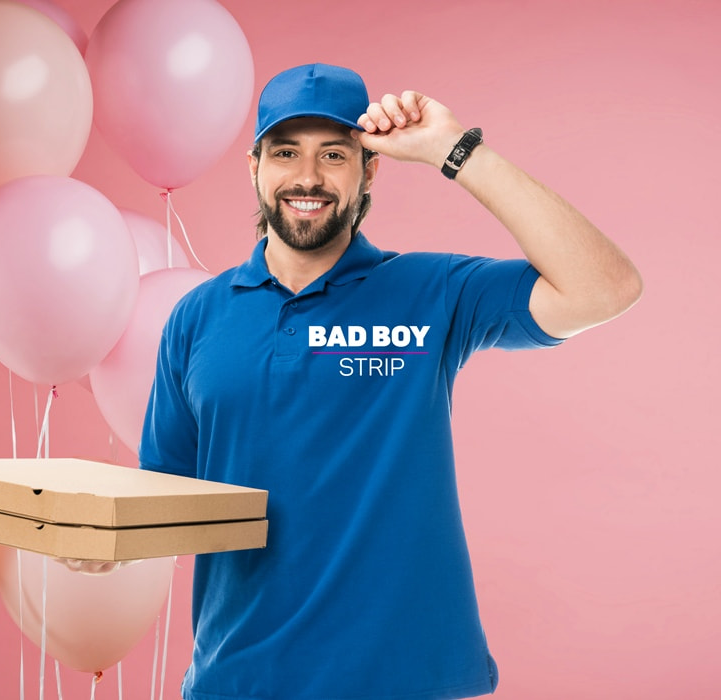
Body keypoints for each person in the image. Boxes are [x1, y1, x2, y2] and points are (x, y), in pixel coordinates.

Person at [135, 63, 642, 700]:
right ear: (255, 166)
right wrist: (100, 544)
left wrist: (456, 152)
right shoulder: (198, 315)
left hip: (405, 682)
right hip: (238, 680)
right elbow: (165, 499)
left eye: (335, 155)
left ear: (370, 168)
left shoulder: (432, 292)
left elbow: (607, 288)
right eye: (286, 152)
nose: (308, 177)